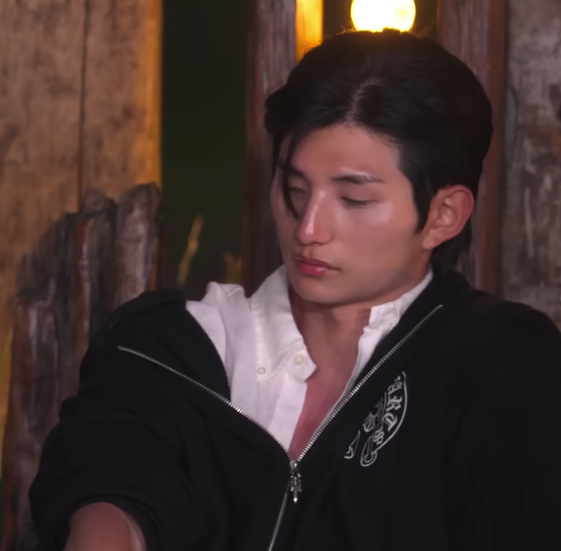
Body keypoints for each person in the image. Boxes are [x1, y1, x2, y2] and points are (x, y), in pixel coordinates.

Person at [30, 29, 560, 551]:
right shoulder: (164, 350)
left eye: (353, 200)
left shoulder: (498, 363)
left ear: (443, 215)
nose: (308, 229)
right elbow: (110, 484)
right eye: (293, 188)